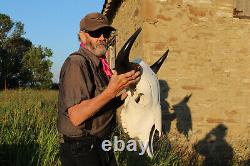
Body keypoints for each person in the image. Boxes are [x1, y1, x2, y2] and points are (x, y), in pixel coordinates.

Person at [57, 12, 140, 166]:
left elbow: (104, 103)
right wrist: (111, 91)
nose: (102, 37)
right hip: (81, 149)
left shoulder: (101, 65)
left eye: (106, 32)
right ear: (82, 36)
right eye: (96, 33)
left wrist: (129, 88)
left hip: (101, 144)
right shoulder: (77, 63)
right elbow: (76, 116)